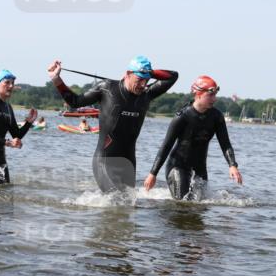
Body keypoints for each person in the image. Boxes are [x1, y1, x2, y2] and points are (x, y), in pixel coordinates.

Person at [47, 56, 178, 192]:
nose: (143, 85)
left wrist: (150, 72)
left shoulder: (147, 94)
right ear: (128, 74)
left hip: (128, 161)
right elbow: (74, 101)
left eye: (146, 80)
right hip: (105, 160)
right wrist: (56, 79)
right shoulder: (107, 88)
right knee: (114, 199)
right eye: (139, 80)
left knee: (127, 206)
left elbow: (173, 76)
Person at [144, 75, 242, 200]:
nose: (214, 99)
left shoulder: (216, 117)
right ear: (199, 94)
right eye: (210, 95)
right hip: (177, 166)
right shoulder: (182, 117)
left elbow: (225, 143)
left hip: (200, 168)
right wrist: (153, 174)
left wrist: (232, 165)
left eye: (215, 95)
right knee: (183, 203)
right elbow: (166, 146)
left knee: (199, 205)